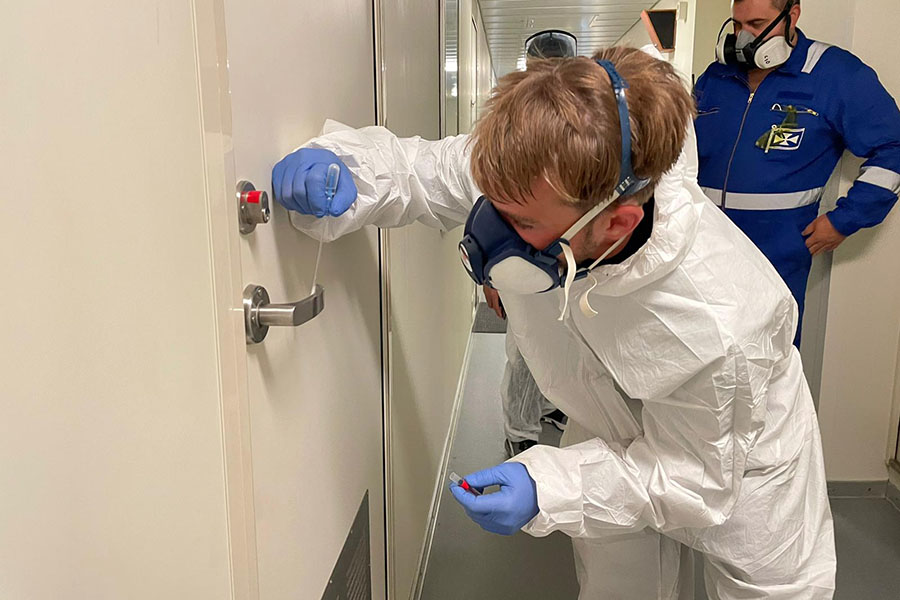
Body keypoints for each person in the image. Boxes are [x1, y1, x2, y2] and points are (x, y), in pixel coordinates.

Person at [274, 47, 835, 598]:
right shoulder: (541, 175)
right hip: (607, 422)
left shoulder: (712, 323)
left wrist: (551, 484)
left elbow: (690, 477)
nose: (493, 232)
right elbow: (423, 170)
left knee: (772, 589)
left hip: (737, 453)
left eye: (517, 222)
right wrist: (348, 170)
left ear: (616, 223)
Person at [694, 0, 900, 347]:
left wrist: (844, 221)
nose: (743, 37)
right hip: (703, 246)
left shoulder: (836, 75)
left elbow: (892, 148)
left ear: (792, 16)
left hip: (776, 253)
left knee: (768, 364)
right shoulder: (718, 75)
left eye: (757, 24)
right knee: (698, 353)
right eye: (736, 24)